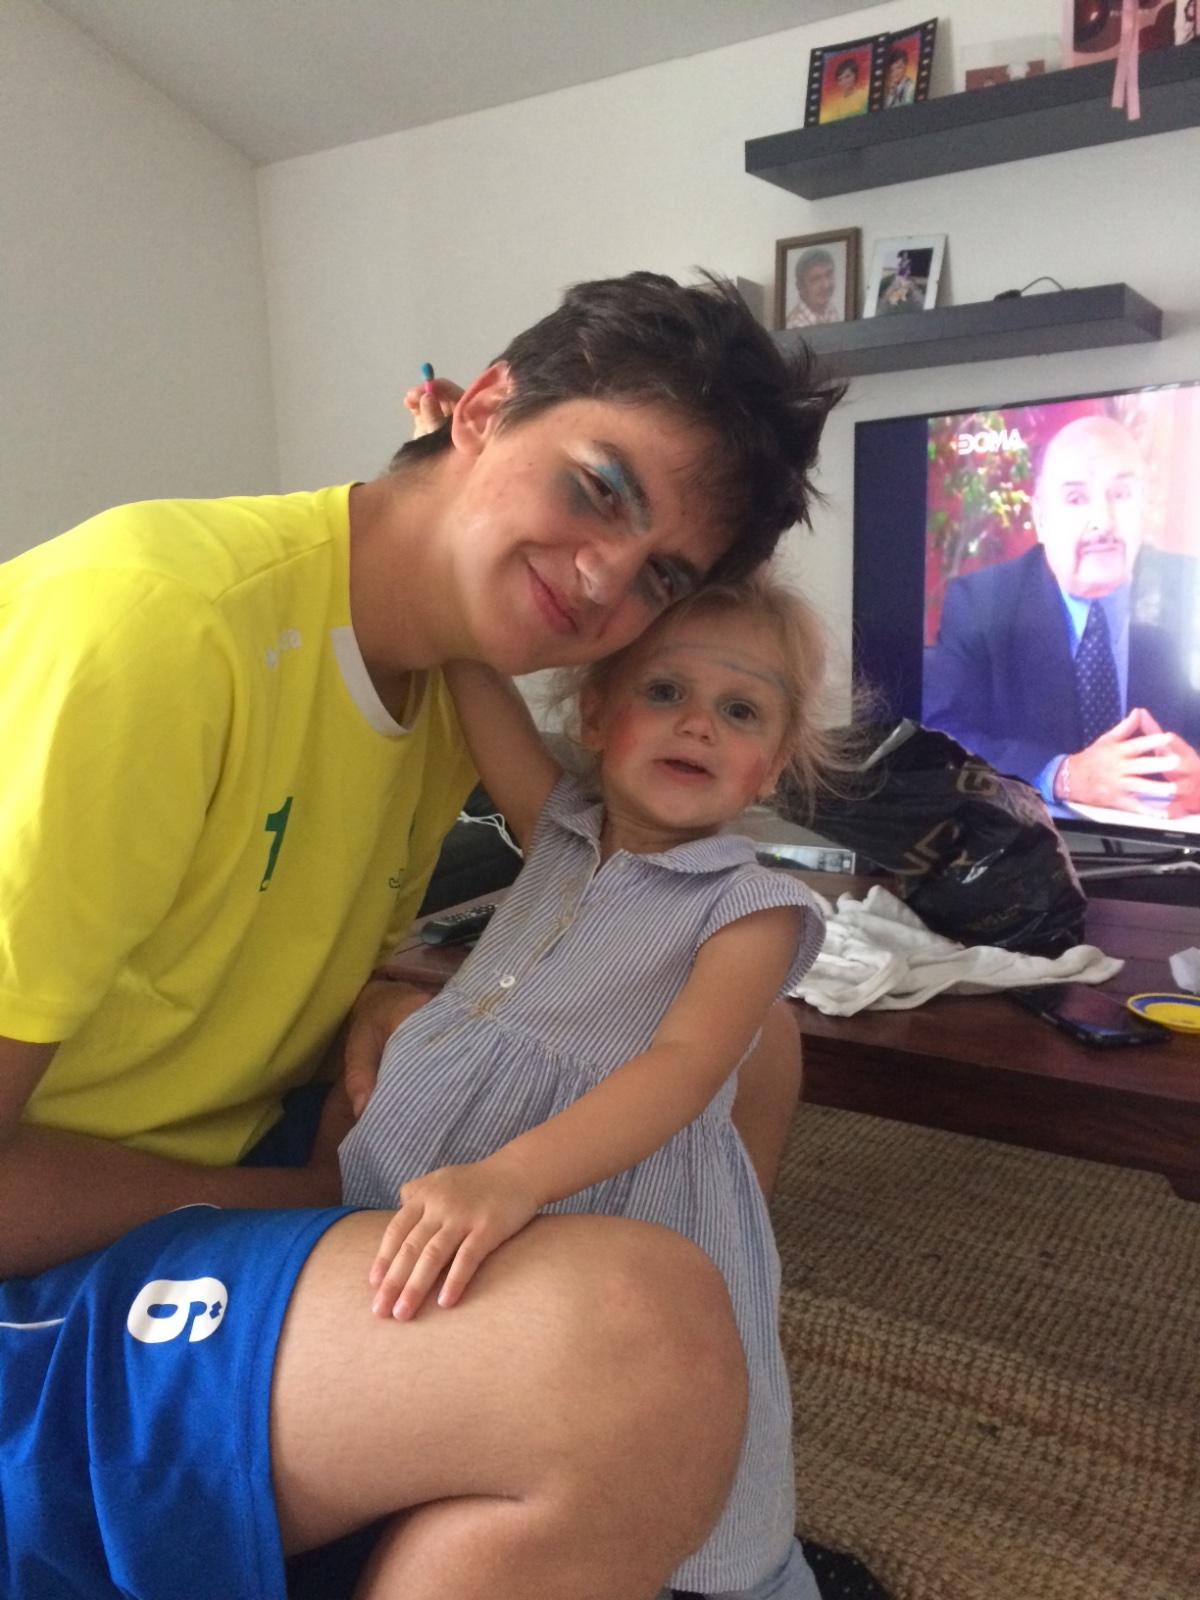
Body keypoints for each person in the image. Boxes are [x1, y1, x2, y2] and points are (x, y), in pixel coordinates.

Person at [0, 270, 843, 1599]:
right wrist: (314, 1197)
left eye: (662, 573)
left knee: (756, 1042)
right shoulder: (156, 630)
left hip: (226, 1143)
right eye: (601, 487)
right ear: (487, 408)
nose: (604, 580)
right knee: (640, 1346)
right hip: (52, 1262)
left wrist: (388, 998)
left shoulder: (444, 672)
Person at [341, 573, 830, 1600]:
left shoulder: (753, 906)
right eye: (665, 691)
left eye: (741, 710)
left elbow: (683, 1071)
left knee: (638, 1412)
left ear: (773, 762)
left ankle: (716, 1573)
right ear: (598, 717)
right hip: (449, 1183)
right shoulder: (556, 824)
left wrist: (512, 1176)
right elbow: (469, 666)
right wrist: (444, 535)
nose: (698, 723)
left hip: (611, 1200)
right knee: (445, 1364)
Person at [923, 413, 1200, 818]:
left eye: (1121, 493)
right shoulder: (982, 603)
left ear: (1144, 507)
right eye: (1075, 498)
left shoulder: (1188, 590)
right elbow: (940, 736)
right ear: (1041, 518)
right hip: (1031, 841)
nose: (1102, 521)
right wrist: (1060, 775)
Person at [785, 248, 841, 330]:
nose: (826, 285)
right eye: (816, 279)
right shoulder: (796, 325)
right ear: (801, 287)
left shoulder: (830, 310)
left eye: (829, 274)